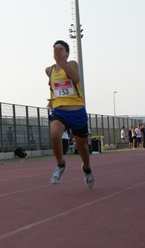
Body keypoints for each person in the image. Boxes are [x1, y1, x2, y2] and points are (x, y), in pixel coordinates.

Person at [45, 40, 94, 188]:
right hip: (60, 112)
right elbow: (56, 87)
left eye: (61, 49)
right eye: (55, 49)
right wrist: (52, 100)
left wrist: (61, 61)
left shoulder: (72, 64)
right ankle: (60, 165)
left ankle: (86, 169)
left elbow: (76, 79)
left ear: (66, 52)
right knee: (54, 133)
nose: (57, 51)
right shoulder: (49, 70)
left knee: (82, 146)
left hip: (77, 111)